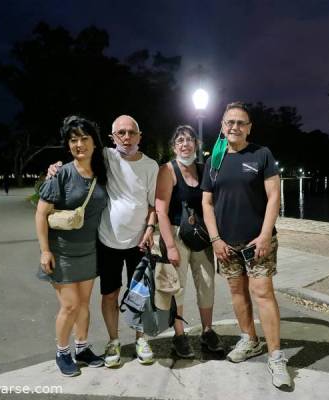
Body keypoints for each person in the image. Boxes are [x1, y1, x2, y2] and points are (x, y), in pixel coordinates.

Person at [48, 115, 158, 366]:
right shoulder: (105, 157)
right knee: (109, 294)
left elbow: (153, 204)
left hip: (139, 242)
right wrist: (55, 167)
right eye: (121, 133)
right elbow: (78, 158)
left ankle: (141, 338)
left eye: (132, 132)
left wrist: (150, 228)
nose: (127, 137)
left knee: (139, 295)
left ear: (140, 136)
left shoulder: (151, 166)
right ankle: (113, 341)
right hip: (107, 242)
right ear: (112, 138)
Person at [201, 102, 292, 390]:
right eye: (230, 122)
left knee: (262, 292)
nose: (235, 127)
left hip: (258, 241)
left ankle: (276, 356)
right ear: (222, 126)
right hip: (226, 243)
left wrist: (265, 235)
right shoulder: (214, 161)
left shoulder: (261, 154)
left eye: (241, 123)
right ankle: (250, 340)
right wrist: (215, 239)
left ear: (249, 127)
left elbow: (274, 196)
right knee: (237, 291)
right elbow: (206, 202)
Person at [35, 116, 108, 377]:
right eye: (74, 140)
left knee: (85, 303)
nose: (79, 144)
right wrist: (45, 250)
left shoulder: (101, 173)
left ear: (94, 143)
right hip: (62, 252)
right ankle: (62, 352)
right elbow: (41, 214)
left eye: (84, 138)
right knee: (70, 305)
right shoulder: (62, 173)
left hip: (88, 251)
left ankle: (82, 348)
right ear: (68, 145)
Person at [155, 125, 224, 358]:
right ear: (174, 146)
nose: (185, 144)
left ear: (196, 144)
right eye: (180, 140)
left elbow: (212, 204)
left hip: (201, 235)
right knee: (178, 288)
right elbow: (161, 211)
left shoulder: (203, 169)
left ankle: (207, 330)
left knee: (207, 283)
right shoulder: (168, 170)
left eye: (189, 140)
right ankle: (179, 335)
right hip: (176, 234)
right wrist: (171, 246)